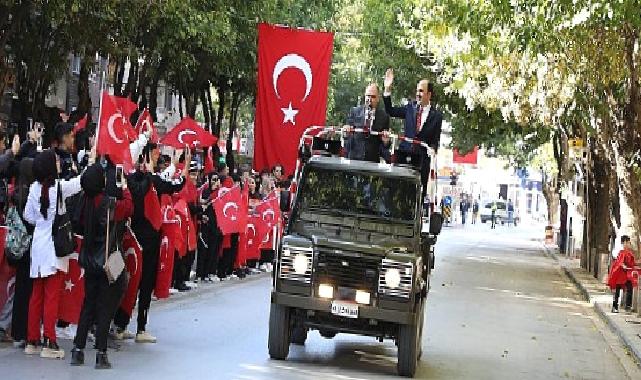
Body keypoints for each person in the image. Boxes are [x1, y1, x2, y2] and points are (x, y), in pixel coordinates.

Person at [112, 143, 187, 343]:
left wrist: (183, 166)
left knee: (131, 284)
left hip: (133, 240)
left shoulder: (134, 179)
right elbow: (168, 184)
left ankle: (121, 325)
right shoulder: (144, 181)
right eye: (153, 155)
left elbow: (175, 185)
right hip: (142, 241)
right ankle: (138, 328)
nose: (157, 158)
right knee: (141, 284)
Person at [70, 163, 132, 369]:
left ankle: (77, 350)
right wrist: (124, 187)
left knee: (88, 304)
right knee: (105, 308)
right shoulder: (108, 203)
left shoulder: (84, 202)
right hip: (107, 260)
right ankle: (101, 353)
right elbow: (129, 207)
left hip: (88, 260)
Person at [23, 149, 82, 359]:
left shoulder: (33, 189)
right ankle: (50, 341)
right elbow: (79, 184)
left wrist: (41, 221)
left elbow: (27, 216)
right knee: (51, 297)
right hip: (55, 249)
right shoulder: (59, 188)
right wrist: (92, 162)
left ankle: (32, 340)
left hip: (38, 247)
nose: (58, 163)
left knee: (36, 295)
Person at [383, 68, 443, 197]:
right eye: (417, 91)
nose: (418, 94)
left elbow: (435, 141)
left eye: (421, 91)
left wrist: (432, 149)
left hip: (422, 162)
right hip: (404, 157)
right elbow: (390, 111)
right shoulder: (410, 108)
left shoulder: (437, 116)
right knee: (398, 192)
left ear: (429, 95)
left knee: (418, 196)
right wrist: (387, 89)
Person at [344, 83, 391, 163]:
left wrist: (386, 141)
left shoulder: (384, 117)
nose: (369, 99)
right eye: (368, 96)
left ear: (378, 98)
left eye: (373, 97)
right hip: (353, 159)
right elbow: (346, 136)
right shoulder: (354, 112)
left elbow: (385, 146)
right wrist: (346, 132)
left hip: (372, 162)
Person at [608, 235, 637, 313]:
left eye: (629, 243)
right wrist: (623, 265)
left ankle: (628, 306)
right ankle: (614, 307)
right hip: (619, 274)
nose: (628, 244)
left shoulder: (629, 253)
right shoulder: (621, 252)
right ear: (624, 243)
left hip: (626, 275)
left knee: (630, 287)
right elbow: (619, 262)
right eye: (627, 242)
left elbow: (632, 263)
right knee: (617, 291)